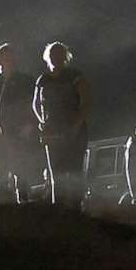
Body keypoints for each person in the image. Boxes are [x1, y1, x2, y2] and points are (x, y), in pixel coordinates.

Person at [34, 42, 93, 205]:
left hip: (74, 131)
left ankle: (76, 206)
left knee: (74, 170)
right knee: (56, 172)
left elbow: (86, 101)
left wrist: (75, 125)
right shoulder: (43, 80)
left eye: (60, 54)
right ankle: (58, 208)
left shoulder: (75, 76)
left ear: (65, 57)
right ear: (48, 57)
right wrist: (44, 122)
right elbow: (36, 104)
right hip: (52, 132)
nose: (56, 57)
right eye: (53, 54)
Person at [0, 42, 36, 199]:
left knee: (21, 172)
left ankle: (23, 205)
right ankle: (3, 207)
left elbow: (34, 105)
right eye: (3, 59)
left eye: (10, 58)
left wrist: (29, 125)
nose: (7, 62)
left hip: (19, 136)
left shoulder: (26, 81)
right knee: (1, 174)